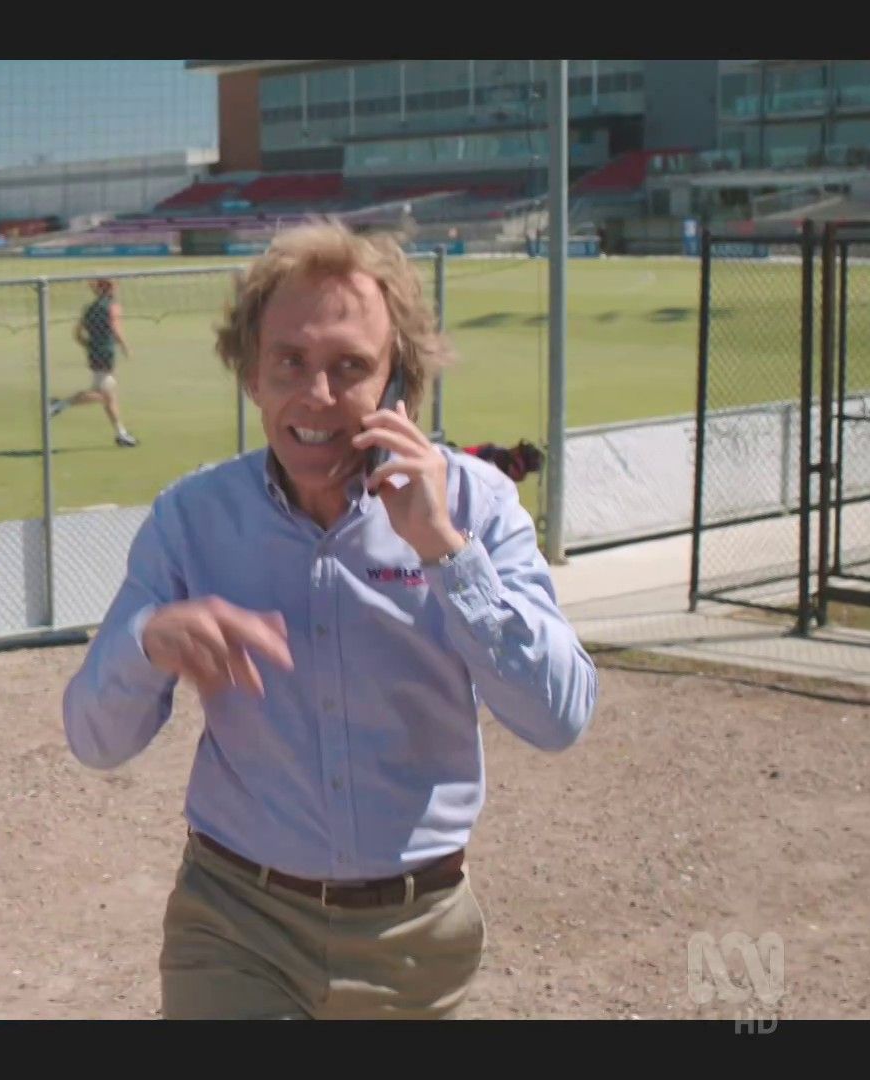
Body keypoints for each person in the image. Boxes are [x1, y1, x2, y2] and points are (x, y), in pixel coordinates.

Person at [60, 221, 598, 1020]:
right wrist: (147, 645)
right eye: (289, 361)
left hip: (415, 938)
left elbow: (560, 718)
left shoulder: (475, 505)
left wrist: (446, 552)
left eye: (351, 367)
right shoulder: (193, 519)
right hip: (234, 923)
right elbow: (93, 740)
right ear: (250, 373)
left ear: (397, 381)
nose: (316, 395)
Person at [47, 277, 136, 447]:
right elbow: (116, 328)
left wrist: (88, 344)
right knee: (103, 394)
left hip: (94, 351)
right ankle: (59, 404)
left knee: (109, 395)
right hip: (106, 353)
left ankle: (121, 433)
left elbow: (77, 333)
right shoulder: (113, 306)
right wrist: (125, 347)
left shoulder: (89, 308)